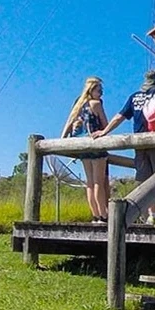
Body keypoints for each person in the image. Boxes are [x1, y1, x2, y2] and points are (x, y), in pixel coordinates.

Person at [93, 69, 155, 224]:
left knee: (143, 178)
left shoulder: (135, 96)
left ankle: (143, 213)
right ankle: (153, 213)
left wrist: (105, 131)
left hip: (139, 142)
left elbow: (120, 116)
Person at [61, 76, 110, 223]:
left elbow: (69, 122)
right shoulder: (96, 104)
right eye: (99, 90)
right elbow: (105, 124)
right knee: (98, 182)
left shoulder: (79, 105)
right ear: (92, 90)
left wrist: (63, 139)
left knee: (89, 182)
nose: (101, 93)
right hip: (95, 143)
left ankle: (95, 215)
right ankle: (103, 215)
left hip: (82, 146)